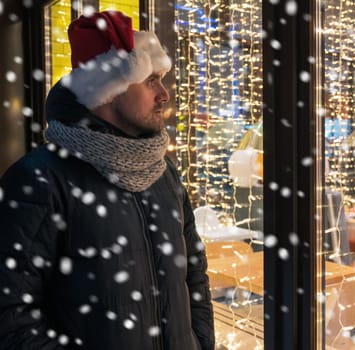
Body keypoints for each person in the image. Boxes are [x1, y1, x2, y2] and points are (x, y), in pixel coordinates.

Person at [0, 11, 214, 349]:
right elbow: (11, 318)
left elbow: (194, 274)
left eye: (162, 79)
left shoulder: (163, 171)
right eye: (149, 81)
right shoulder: (39, 179)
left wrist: (200, 341)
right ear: (109, 90)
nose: (164, 94)